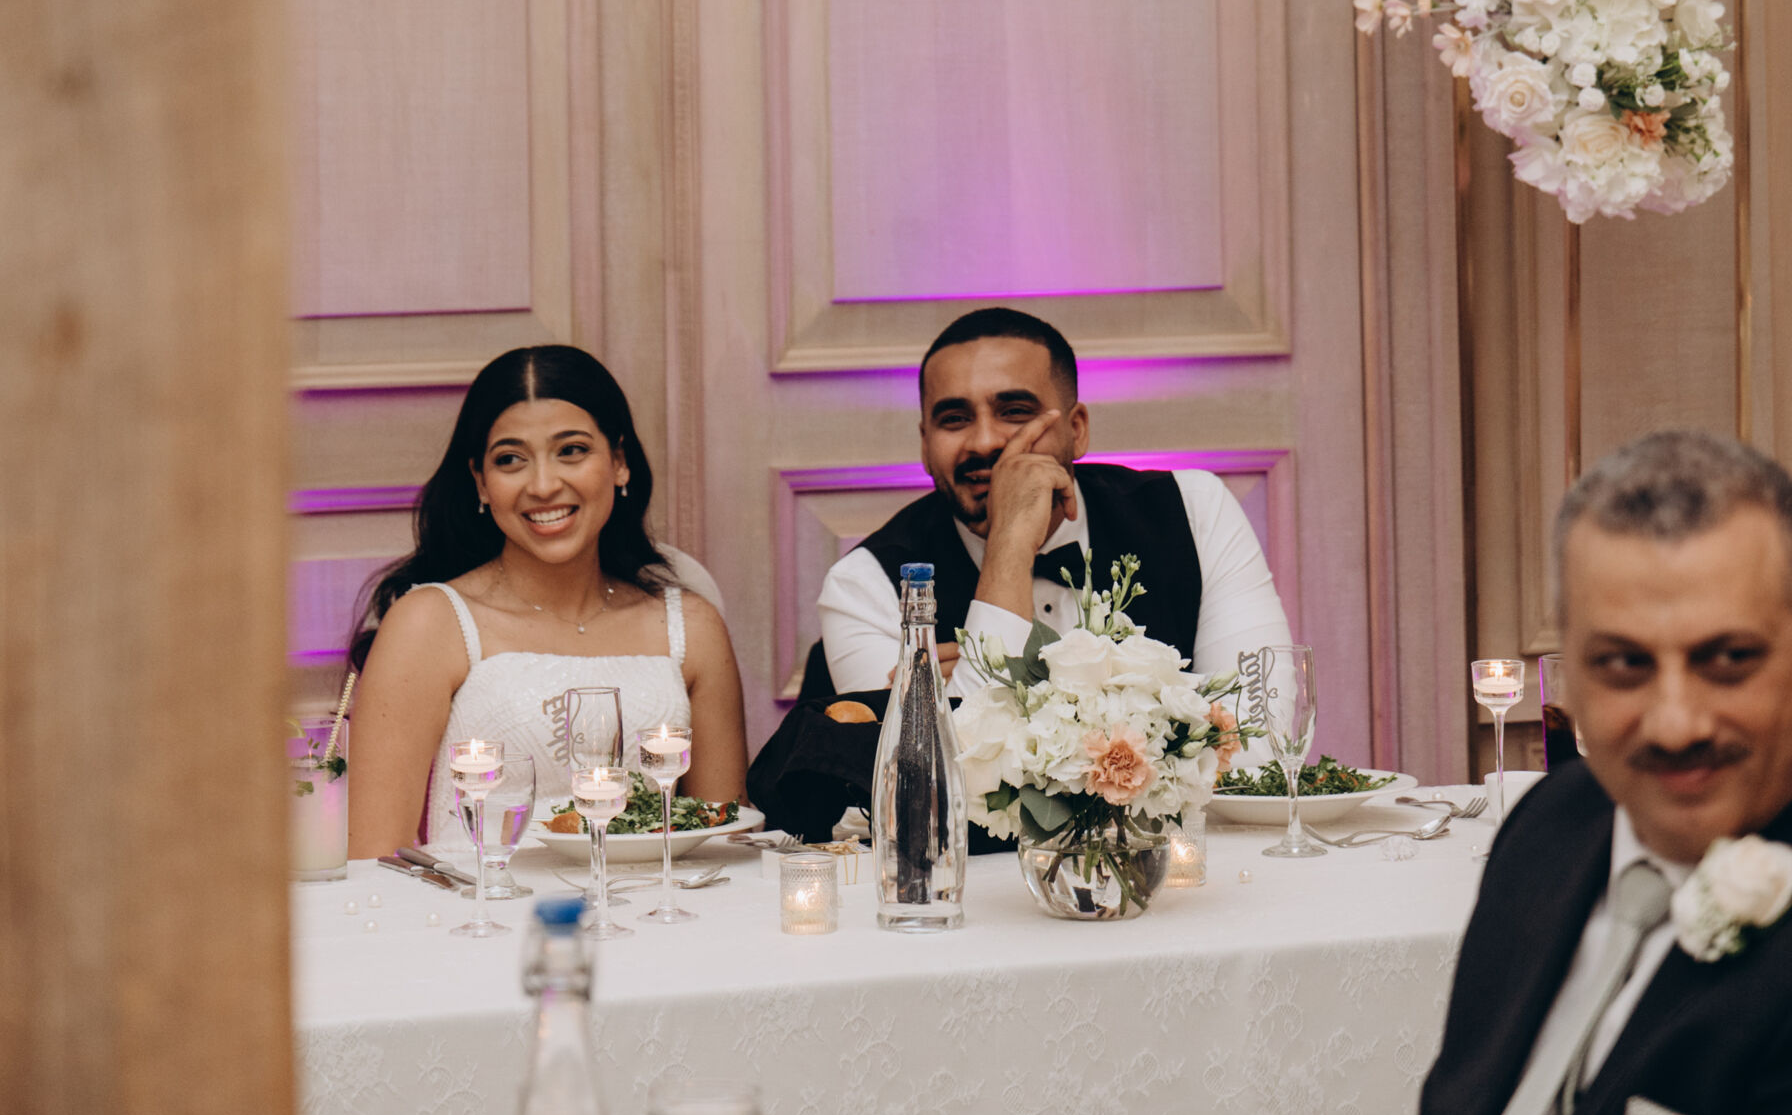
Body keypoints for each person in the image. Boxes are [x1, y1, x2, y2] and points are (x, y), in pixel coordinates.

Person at [1279, 429, 1792, 1115]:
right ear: (1568, 669)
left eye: (1727, 660)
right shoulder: (1557, 824)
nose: (1675, 723)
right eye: (1623, 664)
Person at [748, 305, 1291, 836]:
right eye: (954, 419)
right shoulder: (866, 585)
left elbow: (1259, 752)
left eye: (1014, 411)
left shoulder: (1193, 511)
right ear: (925, 445)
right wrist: (1010, 544)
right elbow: (933, 796)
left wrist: (974, 697)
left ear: (1076, 429)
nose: (985, 441)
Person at [345, 344, 748, 859]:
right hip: (477, 905)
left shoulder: (691, 627)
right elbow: (375, 859)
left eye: (571, 450)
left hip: (659, 904)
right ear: (481, 482)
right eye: (510, 459)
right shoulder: (430, 623)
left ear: (619, 462)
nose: (543, 485)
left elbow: (726, 841)